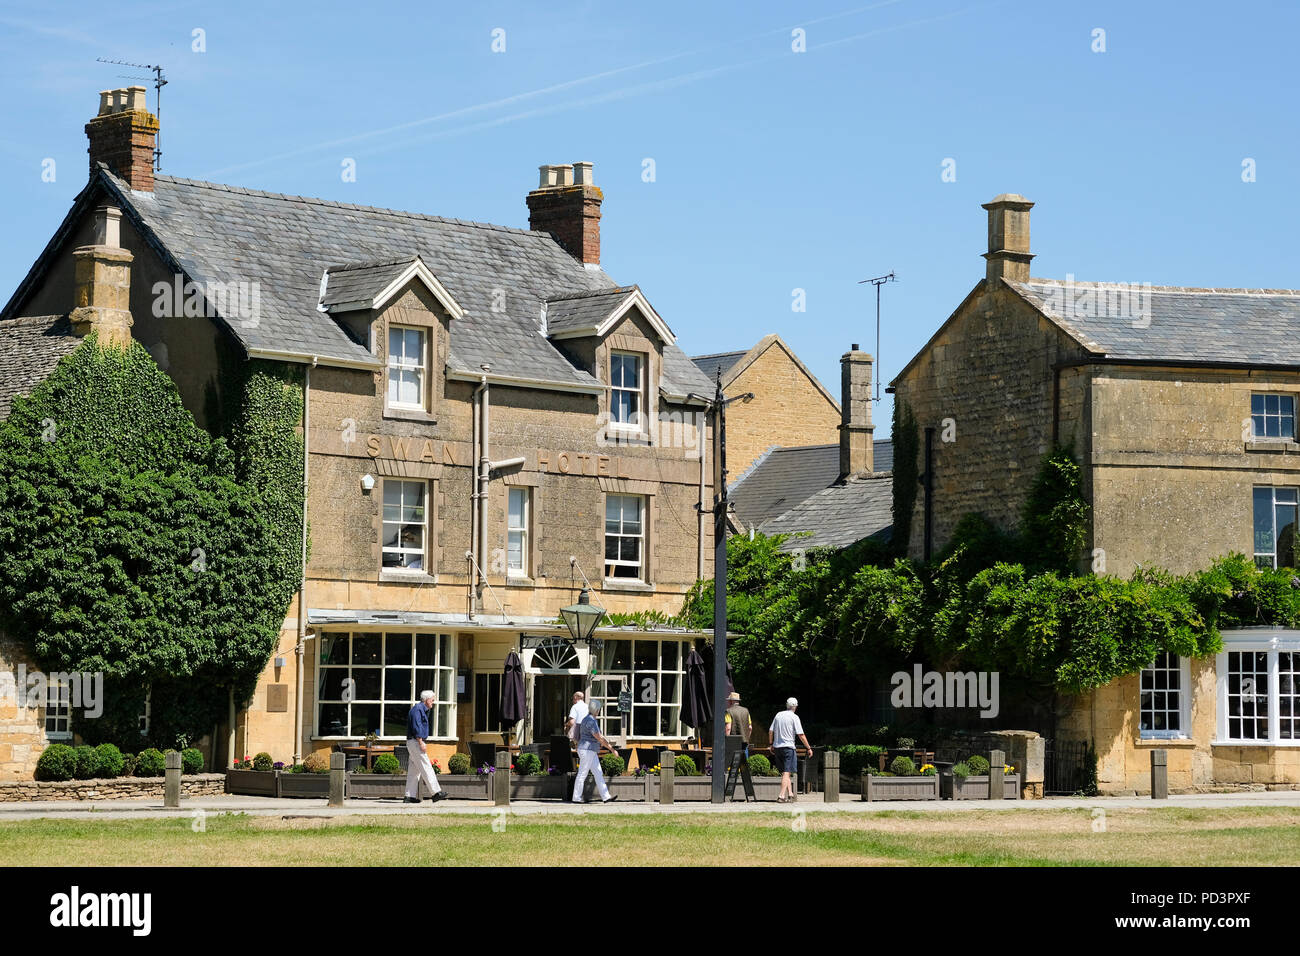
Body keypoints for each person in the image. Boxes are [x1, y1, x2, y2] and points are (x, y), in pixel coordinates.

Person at [571, 699, 619, 804]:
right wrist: (612, 749)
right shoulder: (591, 721)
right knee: (582, 773)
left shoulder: (587, 719)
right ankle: (576, 798)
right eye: (599, 709)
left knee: (598, 773)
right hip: (587, 749)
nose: (599, 711)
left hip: (590, 750)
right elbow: (599, 738)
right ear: (596, 710)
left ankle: (606, 797)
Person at [404, 690, 447, 804]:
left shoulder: (419, 709)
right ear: (427, 700)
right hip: (416, 742)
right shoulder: (418, 710)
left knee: (414, 770)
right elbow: (416, 726)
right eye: (432, 700)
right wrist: (421, 742)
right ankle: (436, 793)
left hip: (413, 742)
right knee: (426, 765)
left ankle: (409, 796)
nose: (433, 702)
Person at [769, 697, 812, 803]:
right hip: (788, 748)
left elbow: (771, 730)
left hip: (777, 748)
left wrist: (771, 744)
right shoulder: (794, 717)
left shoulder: (778, 715)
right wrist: (808, 748)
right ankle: (781, 796)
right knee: (787, 773)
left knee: (785, 772)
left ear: (786, 705)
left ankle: (791, 794)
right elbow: (801, 735)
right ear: (795, 707)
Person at [724, 691, 752, 759]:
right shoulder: (746, 711)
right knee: (744, 763)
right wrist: (747, 738)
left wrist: (726, 740)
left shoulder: (728, 711)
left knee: (732, 763)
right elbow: (750, 727)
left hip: (733, 741)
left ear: (731, 701)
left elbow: (728, 728)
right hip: (744, 741)